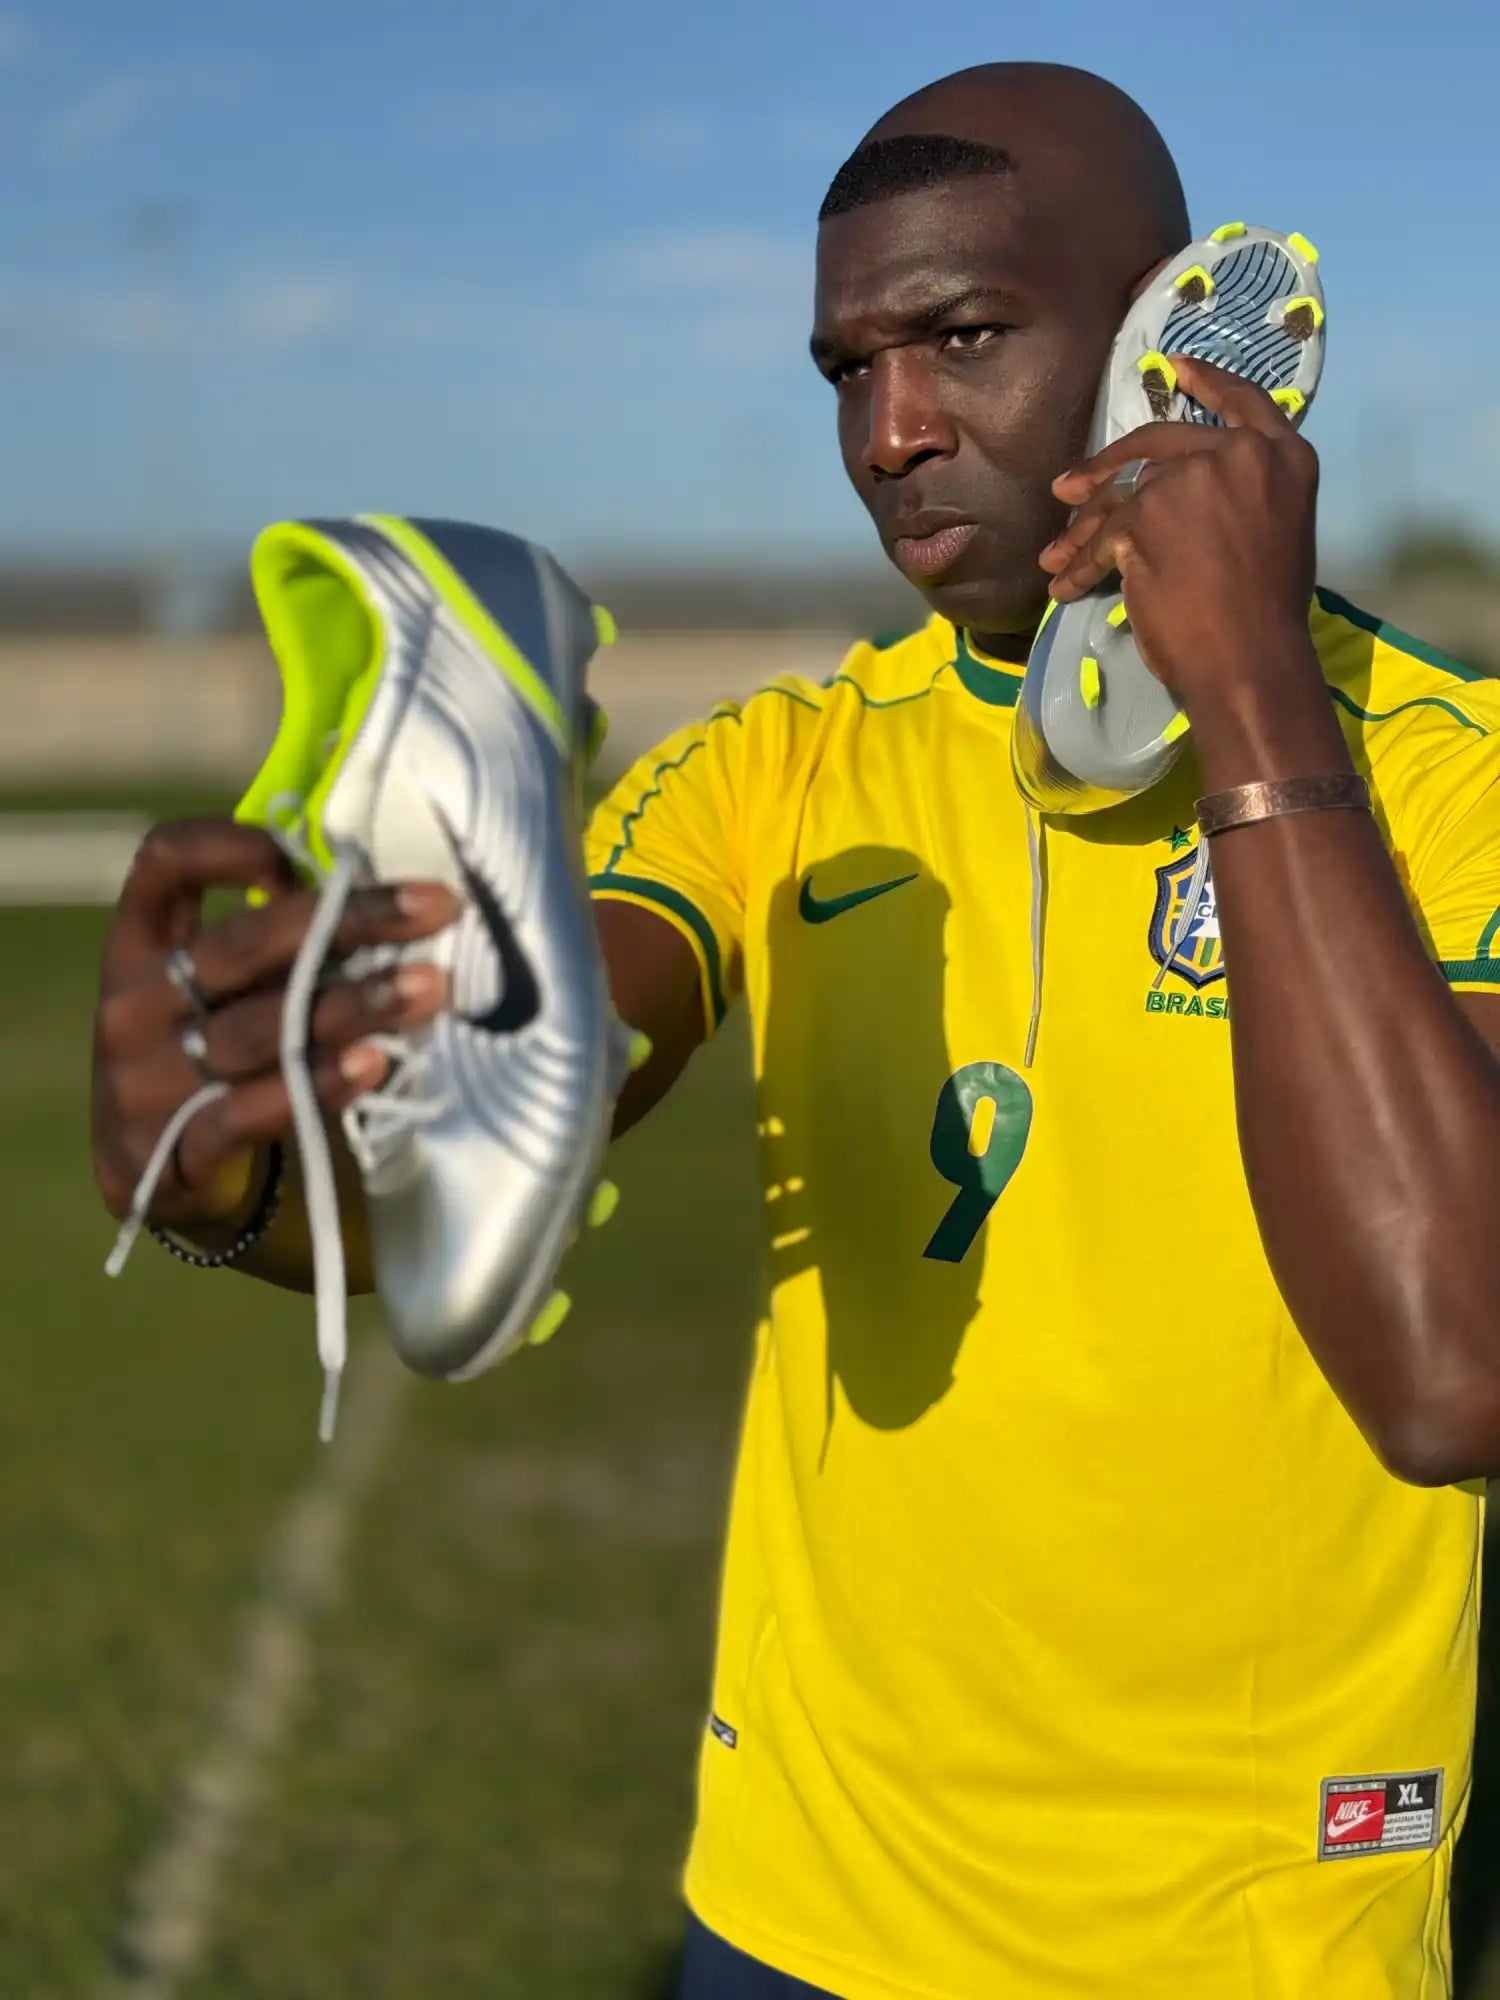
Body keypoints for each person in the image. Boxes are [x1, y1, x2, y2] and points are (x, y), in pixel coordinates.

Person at [91, 61, 1500, 2000]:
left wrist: (1253, 701)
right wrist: (236, 1164)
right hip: (803, 1911)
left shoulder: (1452, 778)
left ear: (1166, 343)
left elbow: (1459, 1370)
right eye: (847, 367)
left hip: (1261, 1934)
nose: (891, 429)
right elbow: (471, 1170)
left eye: (963, 337)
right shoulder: (775, 769)